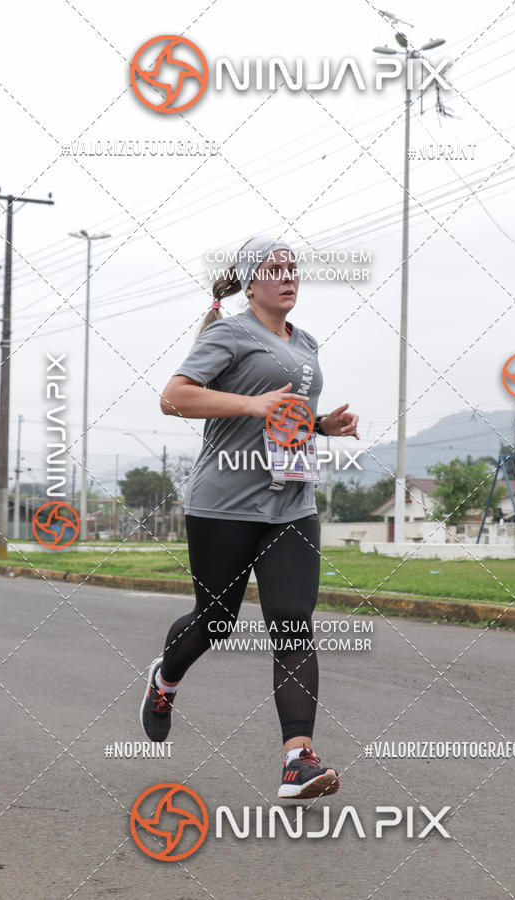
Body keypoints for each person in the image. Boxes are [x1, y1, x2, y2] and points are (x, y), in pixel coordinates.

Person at [140, 236, 360, 799]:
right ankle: (165, 679)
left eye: (293, 268)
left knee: (291, 619)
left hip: (291, 501)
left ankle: (298, 760)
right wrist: (251, 404)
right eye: (274, 269)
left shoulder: (305, 342)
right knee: (216, 621)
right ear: (249, 281)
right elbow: (174, 397)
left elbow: (287, 416)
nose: (288, 276)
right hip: (225, 503)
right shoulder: (228, 333)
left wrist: (320, 427)